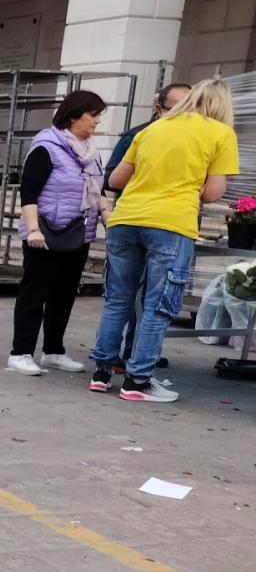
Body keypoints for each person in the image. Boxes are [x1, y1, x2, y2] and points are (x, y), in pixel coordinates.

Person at [90, 78, 238, 403]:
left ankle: (101, 372)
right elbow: (214, 192)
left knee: (118, 300)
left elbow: (115, 180)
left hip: (126, 218)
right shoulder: (220, 133)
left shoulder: (152, 129)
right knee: (158, 306)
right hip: (171, 223)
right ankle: (138, 380)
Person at [6, 92, 108, 376]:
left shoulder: (91, 151)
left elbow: (98, 191)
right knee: (34, 292)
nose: (98, 121)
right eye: (93, 114)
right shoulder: (46, 147)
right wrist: (33, 229)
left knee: (64, 294)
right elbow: (29, 191)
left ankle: (53, 351)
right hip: (46, 232)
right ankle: (20, 352)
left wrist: (107, 219)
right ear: (74, 116)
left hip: (79, 232)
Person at [106, 82, 192, 178]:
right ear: (159, 110)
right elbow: (110, 179)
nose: (184, 117)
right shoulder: (135, 136)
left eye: (191, 111)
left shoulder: (199, 139)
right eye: (176, 111)